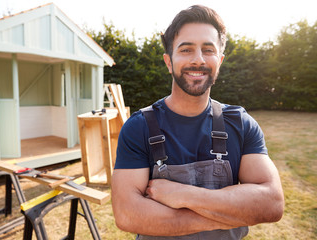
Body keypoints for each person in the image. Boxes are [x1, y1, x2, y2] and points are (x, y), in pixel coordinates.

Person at [111, 5, 284, 240]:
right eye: (186, 49)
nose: (198, 60)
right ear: (169, 62)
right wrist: (229, 215)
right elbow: (127, 214)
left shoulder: (241, 124)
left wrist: (184, 195)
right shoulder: (138, 127)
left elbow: (272, 203)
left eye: (208, 49)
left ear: (219, 60)